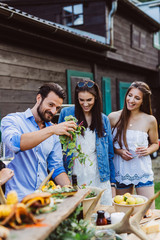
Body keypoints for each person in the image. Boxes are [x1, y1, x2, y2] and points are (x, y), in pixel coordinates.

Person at [1, 83, 77, 201]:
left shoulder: (53, 132)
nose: (53, 111)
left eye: (57, 108)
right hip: (16, 199)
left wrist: (71, 191)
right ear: (39, 98)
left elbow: (56, 168)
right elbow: (15, 143)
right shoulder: (12, 120)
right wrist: (52, 129)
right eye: (50, 104)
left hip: (43, 199)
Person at [58, 79, 116, 205]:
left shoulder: (103, 120)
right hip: (74, 174)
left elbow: (109, 154)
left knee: (102, 213)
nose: (85, 104)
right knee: (78, 212)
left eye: (89, 100)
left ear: (96, 98)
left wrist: (112, 184)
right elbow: (58, 146)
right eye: (81, 100)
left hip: (99, 174)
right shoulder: (66, 114)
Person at [108, 81, 159, 208]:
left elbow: (155, 143)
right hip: (121, 171)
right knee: (123, 211)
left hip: (142, 171)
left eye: (137, 98)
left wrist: (148, 150)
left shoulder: (150, 120)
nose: (131, 100)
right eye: (130, 95)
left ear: (143, 101)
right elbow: (105, 144)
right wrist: (119, 151)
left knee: (149, 211)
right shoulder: (113, 117)